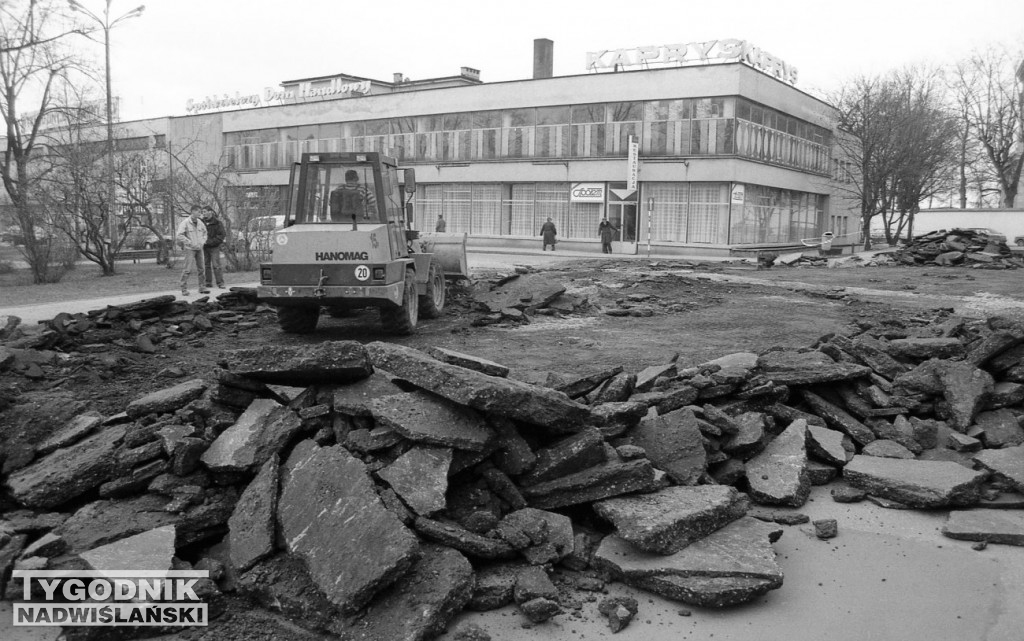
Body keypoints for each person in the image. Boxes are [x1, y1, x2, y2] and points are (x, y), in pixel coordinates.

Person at [176, 205, 208, 296]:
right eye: (198, 211)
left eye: (200, 211)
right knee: (187, 269)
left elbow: (205, 233)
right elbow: (179, 235)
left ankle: (202, 287)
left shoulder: (200, 223)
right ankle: (183, 288)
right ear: (193, 212)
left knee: (202, 268)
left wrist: (202, 242)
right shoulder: (185, 222)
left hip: (199, 248)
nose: (200, 213)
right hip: (190, 249)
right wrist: (189, 242)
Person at [201, 206, 226, 289]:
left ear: (210, 212)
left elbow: (221, 235)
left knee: (216, 265)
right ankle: (208, 282)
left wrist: (211, 242)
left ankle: (220, 283)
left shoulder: (217, 223)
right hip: (204, 247)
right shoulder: (201, 222)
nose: (203, 213)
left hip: (214, 247)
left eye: (205, 211)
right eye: (202, 212)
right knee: (206, 265)